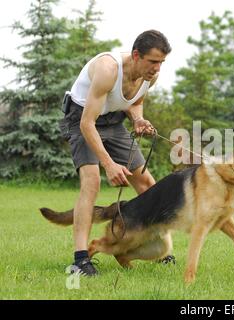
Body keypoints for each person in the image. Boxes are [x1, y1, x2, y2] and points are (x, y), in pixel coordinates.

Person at [60, 30, 171, 276]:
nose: (157, 69)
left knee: (147, 184)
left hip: (113, 122)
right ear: (136, 55)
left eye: (161, 63)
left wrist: (138, 119)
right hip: (81, 118)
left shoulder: (149, 77)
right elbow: (87, 124)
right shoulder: (108, 69)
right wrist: (109, 164)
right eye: (153, 62)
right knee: (91, 181)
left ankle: (157, 247)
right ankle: (80, 260)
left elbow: (136, 101)